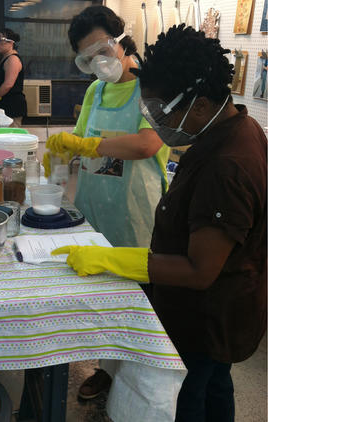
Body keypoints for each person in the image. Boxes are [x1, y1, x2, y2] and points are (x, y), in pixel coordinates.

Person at [52, 25, 267, 422]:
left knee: (190, 394)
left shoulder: (227, 164)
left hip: (209, 316)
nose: (152, 119)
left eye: (157, 110)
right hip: (216, 310)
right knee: (215, 385)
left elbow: (200, 270)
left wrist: (113, 260)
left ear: (199, 106)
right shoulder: (232, 127)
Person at [44, 5, 170, 400]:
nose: (98, 62)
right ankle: (105, 370)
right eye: (87, 58)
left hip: (137, 213)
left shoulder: (152, 87)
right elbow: (80, 144)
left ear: (120, 39)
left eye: (102, 49)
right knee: (100, 301)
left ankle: (142, 380)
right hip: (96, 209)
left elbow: (149, 143)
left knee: (139, 302)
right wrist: (61, 153)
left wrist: (88, 144)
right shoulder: (95, 90)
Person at [0, 28, 27, 125]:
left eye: (0, 40)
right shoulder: (5, 58)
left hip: (12, 106)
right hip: (5, 104)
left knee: (11, 137)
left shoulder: (13, 59)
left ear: (11, 43)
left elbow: (8, 84)